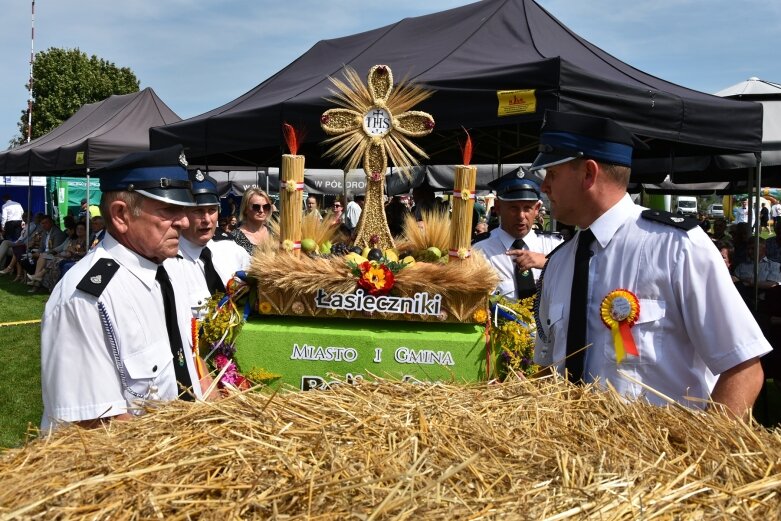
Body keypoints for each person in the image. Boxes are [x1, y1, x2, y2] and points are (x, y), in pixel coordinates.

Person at [531, 110, 770, 419]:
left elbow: (743, 368)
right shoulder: (559, 263)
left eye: (552, 174)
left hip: (659, 461)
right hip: (570, 464)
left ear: (589, 174)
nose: (544, 187)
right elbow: (548, 369)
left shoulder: (676, 247)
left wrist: (702, 458)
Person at [40, 145, 207, 430]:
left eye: (184, 209)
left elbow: (190, 363)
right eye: (169, 209)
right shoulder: (87, 299)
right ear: (121, 215)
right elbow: (96, 425)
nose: (184, 221)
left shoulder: (169, 270)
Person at [165, 171, 250, 317]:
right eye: (198, 211)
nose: (207, 219)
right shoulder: (169, 263)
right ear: (183, 214)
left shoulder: (232, 251)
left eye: (212, 210)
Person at [474, 173, 562, 301]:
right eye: (513, 208)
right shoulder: (480, 252)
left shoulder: (554, 246)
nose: (521, 216)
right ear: (498, 208)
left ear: (537, 209)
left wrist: (549, 263)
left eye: (527, 208)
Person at [231, 187, 273, 255]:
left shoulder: (274, 233)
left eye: (266, 207)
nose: (261, 211)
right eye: (256, 207)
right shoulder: (235, 237)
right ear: (246, 209)